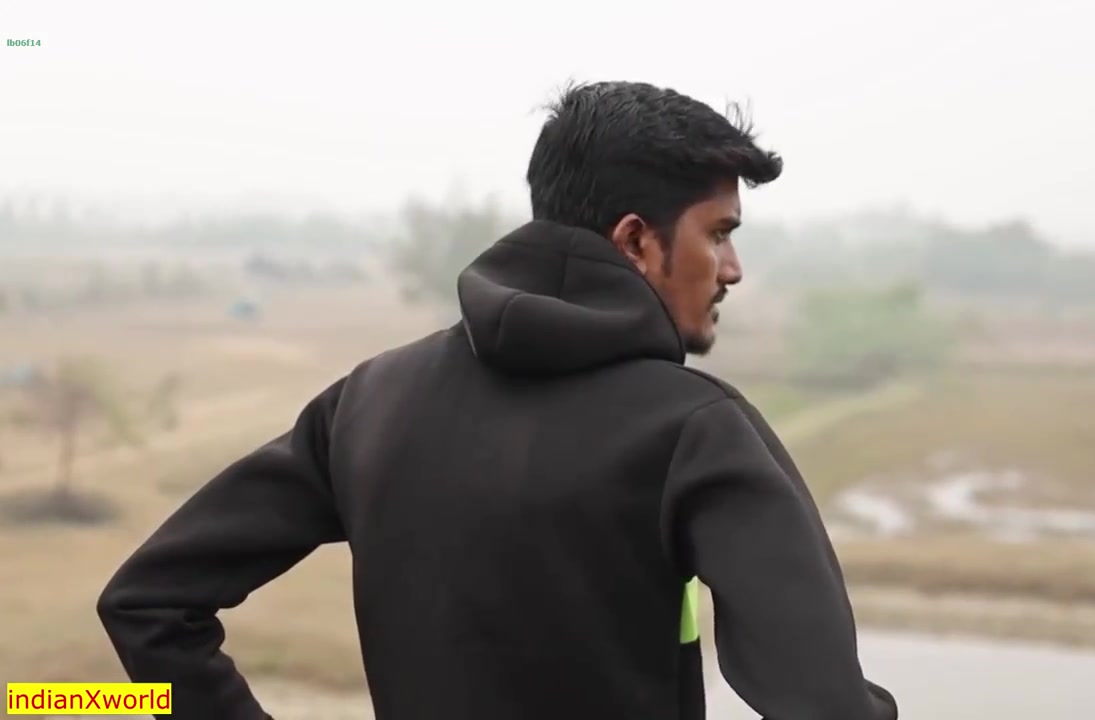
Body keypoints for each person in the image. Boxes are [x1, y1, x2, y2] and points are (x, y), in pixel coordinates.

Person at [96, 80, 898, 720]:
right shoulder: (696, 430)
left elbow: (146, 603)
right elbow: (825, 706)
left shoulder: (369, 401)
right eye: (718, 233)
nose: (732, 270)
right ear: (635, 241)